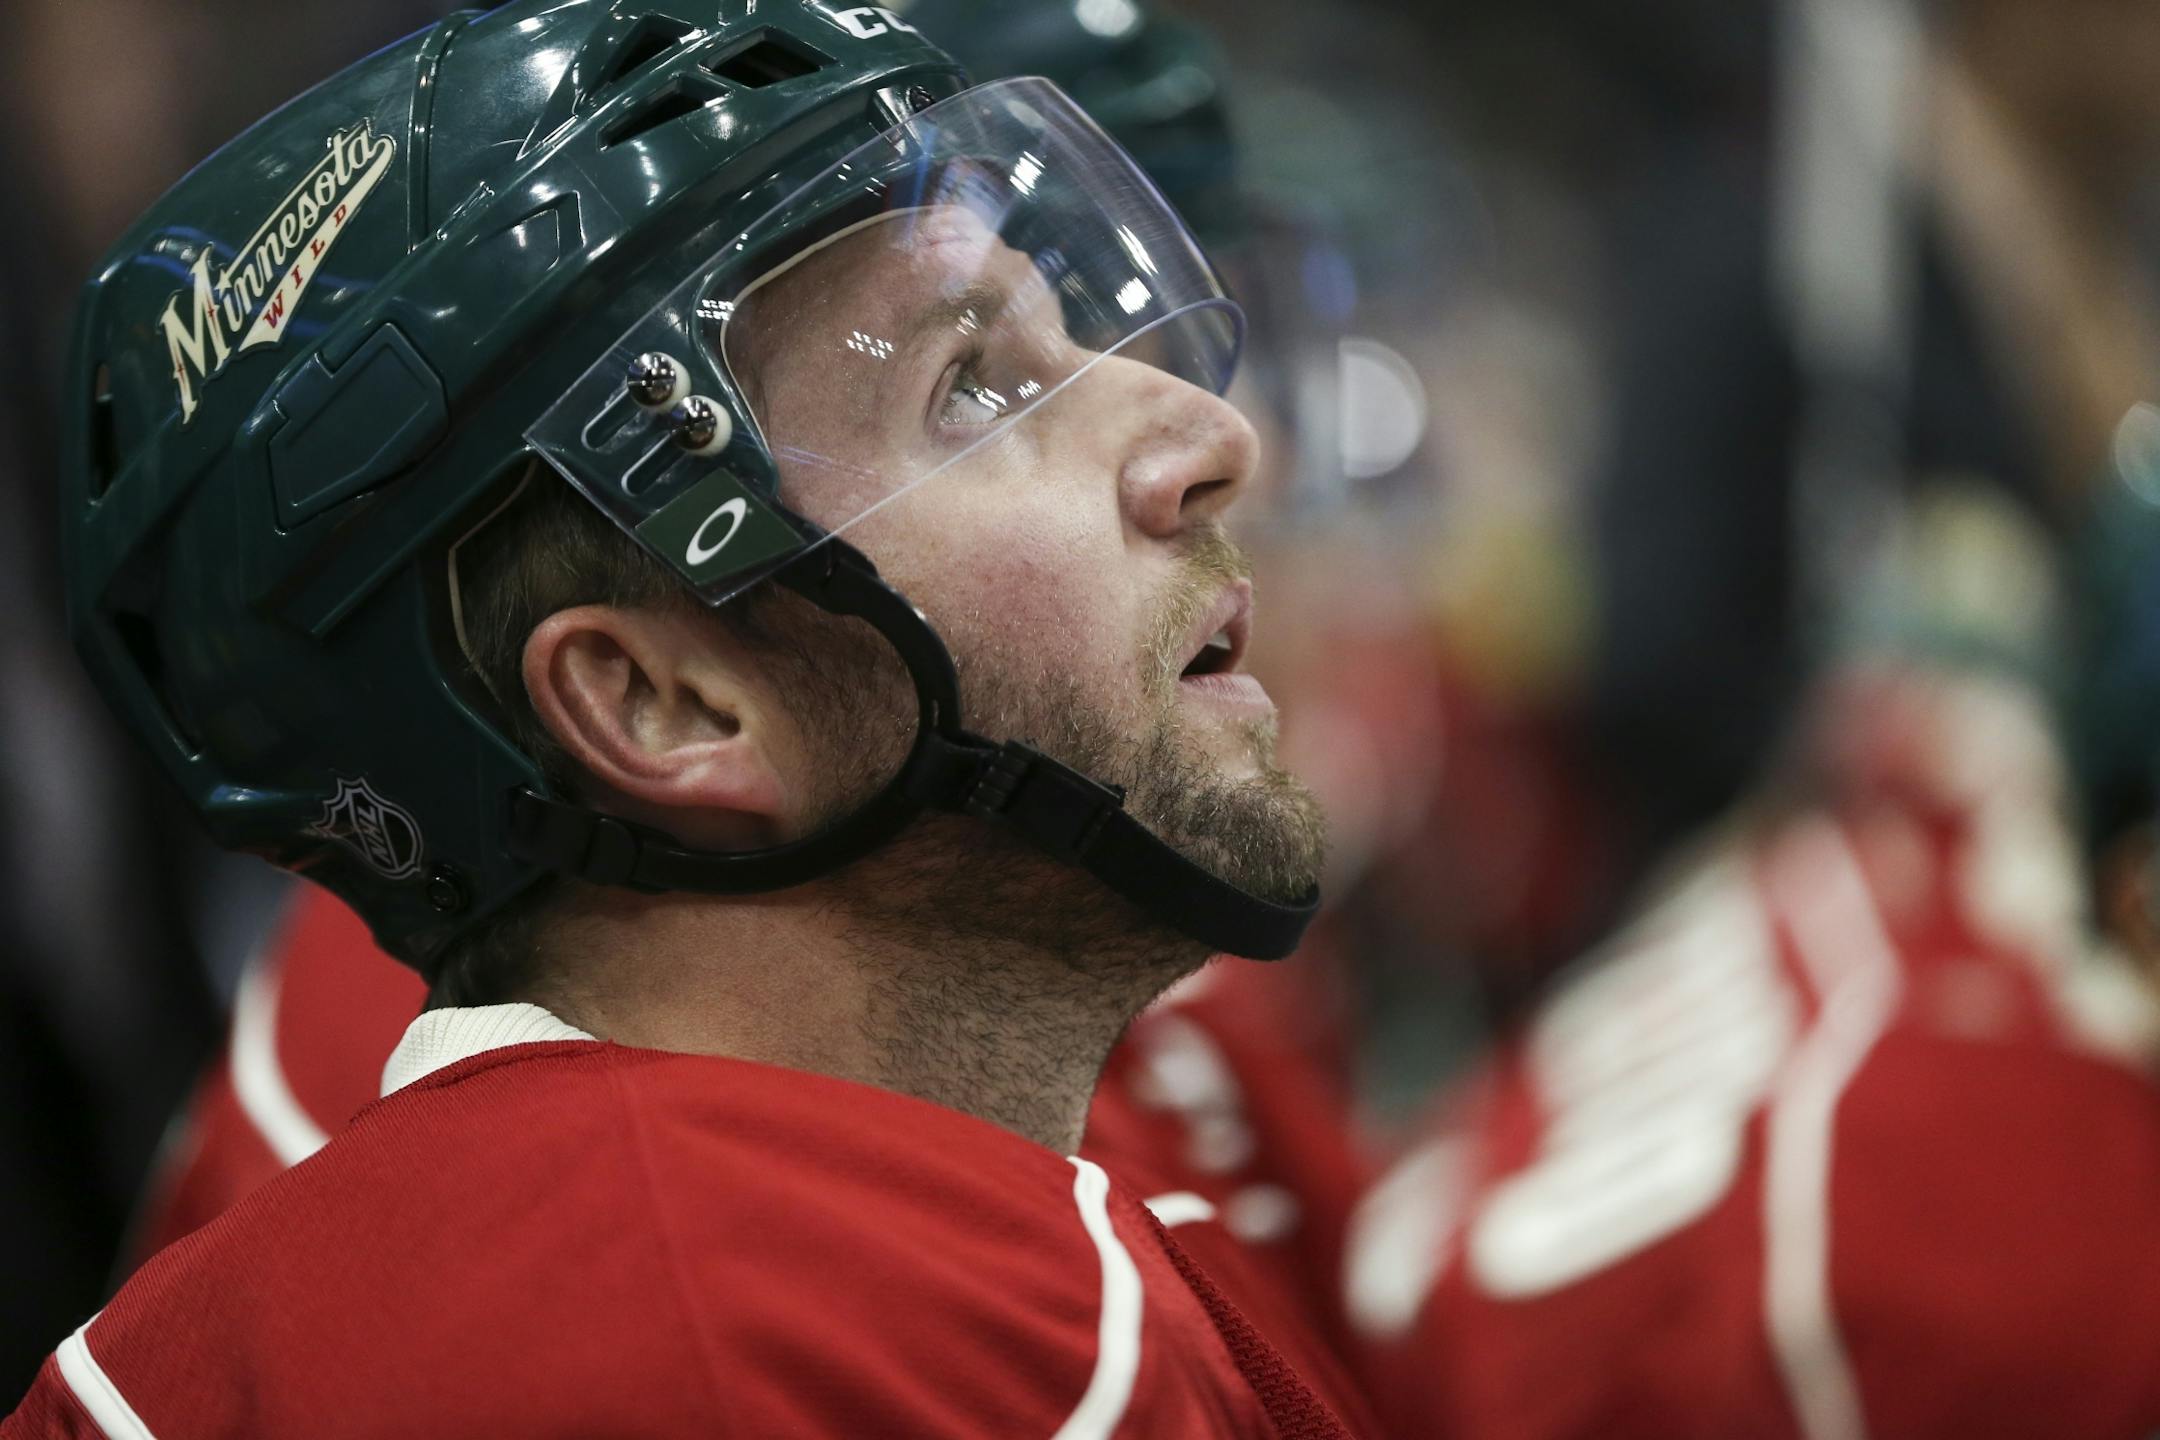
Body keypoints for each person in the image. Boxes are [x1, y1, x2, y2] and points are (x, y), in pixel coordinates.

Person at [4, 1, 1361, 1433]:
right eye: (970, 388)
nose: (1213, 443)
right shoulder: (742, 1339)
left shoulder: (699, 1254)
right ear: (663, 705)